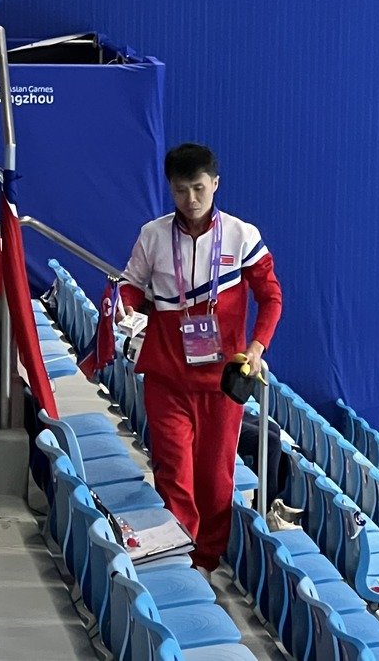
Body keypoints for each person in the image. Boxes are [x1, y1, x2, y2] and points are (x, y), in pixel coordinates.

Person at [118, 143, 282, 572]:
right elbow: (130, 286)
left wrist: (256, 346)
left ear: (215, 185)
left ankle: (205, 562)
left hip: (223, 384)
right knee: (173, 473)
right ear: (169, 189)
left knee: (214, 481)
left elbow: (271, 298)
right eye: (179, 191)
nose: (190, 200)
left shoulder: (242, 236)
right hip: (166, 379)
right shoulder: (152, 236)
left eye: (198, 189)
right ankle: (178, 557)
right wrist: (124, 305)